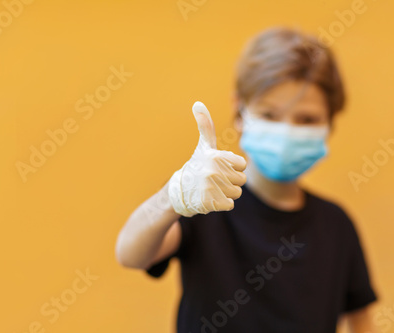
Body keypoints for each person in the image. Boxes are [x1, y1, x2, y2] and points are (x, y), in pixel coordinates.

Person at [115, 26, 378, 333]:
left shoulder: (336, 225)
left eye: (307, 119)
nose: (287, 131)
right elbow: (129, 253)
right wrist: (171, 198)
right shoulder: (204, 203)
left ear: (329, 123)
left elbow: (361, 321)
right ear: (239, 112)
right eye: (269, 115)